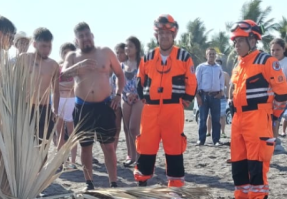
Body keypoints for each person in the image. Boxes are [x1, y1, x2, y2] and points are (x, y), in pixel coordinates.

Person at [224, 20, 287, 199]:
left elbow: (283, 93)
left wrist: (272, 116)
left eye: (240, 41)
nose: (236, 45)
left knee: (257, 164)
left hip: (258, 118)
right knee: (239, 163)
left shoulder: (266, 61)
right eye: (235, 41)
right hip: (238, 119)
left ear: (253, 40)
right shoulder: (238, 65)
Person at [133, 15, 197, 187]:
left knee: (174, 147)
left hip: (173, 109)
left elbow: (191, 81)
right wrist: (145, 98)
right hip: (151, 109)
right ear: (157, 35)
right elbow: (140, 80)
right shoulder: (148, 57)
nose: (164, 36)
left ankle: (175, 187)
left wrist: (186, 100)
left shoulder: (183, 56)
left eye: (168, 33)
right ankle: (142, 183)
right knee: (146, 145)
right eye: (161, 33)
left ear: (173, 34)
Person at [61, 23, 123, 190]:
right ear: (76, 40)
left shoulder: (105, 52)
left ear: (92, 35)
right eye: (81, 36)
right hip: (83, 107)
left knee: (108, 146)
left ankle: (114, 183)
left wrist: (118, 95)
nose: (85, 38)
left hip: (105, 105)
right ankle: (89, 183)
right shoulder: (72, 56)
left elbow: (120, 74)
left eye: (87, 35)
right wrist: (79, 66)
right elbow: (63, 74)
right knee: (86, 146)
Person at [18, 28, 60, 142]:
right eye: (43, 46)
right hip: (26, 108)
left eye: (49, 47)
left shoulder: (53, 65)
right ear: (34, 44)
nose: (47, 50)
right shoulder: (24, 58)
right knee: (25, 145)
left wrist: (55, 109)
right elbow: (13, 84)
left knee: (43, 145)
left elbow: (56, 90)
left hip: (45, 109)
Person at [119, 37, 144, 167]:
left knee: (134, 128)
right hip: (125, 97)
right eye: (126, 46)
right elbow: (118, 82)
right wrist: (125, 93)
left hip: (139, 98)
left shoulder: (142, 63)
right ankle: (132, 156)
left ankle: (140, 156)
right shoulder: (121, 65)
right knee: (127, 128)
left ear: (137, 48)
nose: (127, 49)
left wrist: (137, 94)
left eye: (131, 46)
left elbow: (147, 81)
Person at [194, 48, 225, 146]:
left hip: (215, 96)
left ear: (215, 56)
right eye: (210, 54)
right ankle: (201, 139)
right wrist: (197, 96)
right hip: (204, 96)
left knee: (216, 119)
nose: (211, 55)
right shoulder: (201, 67)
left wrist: (221, 92)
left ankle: (216, 140)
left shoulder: (218, 68)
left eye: (213, 54)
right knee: (202, 118)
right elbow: (196, 82)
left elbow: (221, 81)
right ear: (206, 55)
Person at [56, 42, 79, 169]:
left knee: (71, 132)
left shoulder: (76, 69)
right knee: (59, 133)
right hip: (59, 101)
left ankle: (73, 162)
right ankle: (60, 161)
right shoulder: (57, 68)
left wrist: (62, 86)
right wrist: (66, 86)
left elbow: (75, 86)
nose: (66, 55)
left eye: (69, 53)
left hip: (72, 101)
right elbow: (53, 85)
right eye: (64, 53)